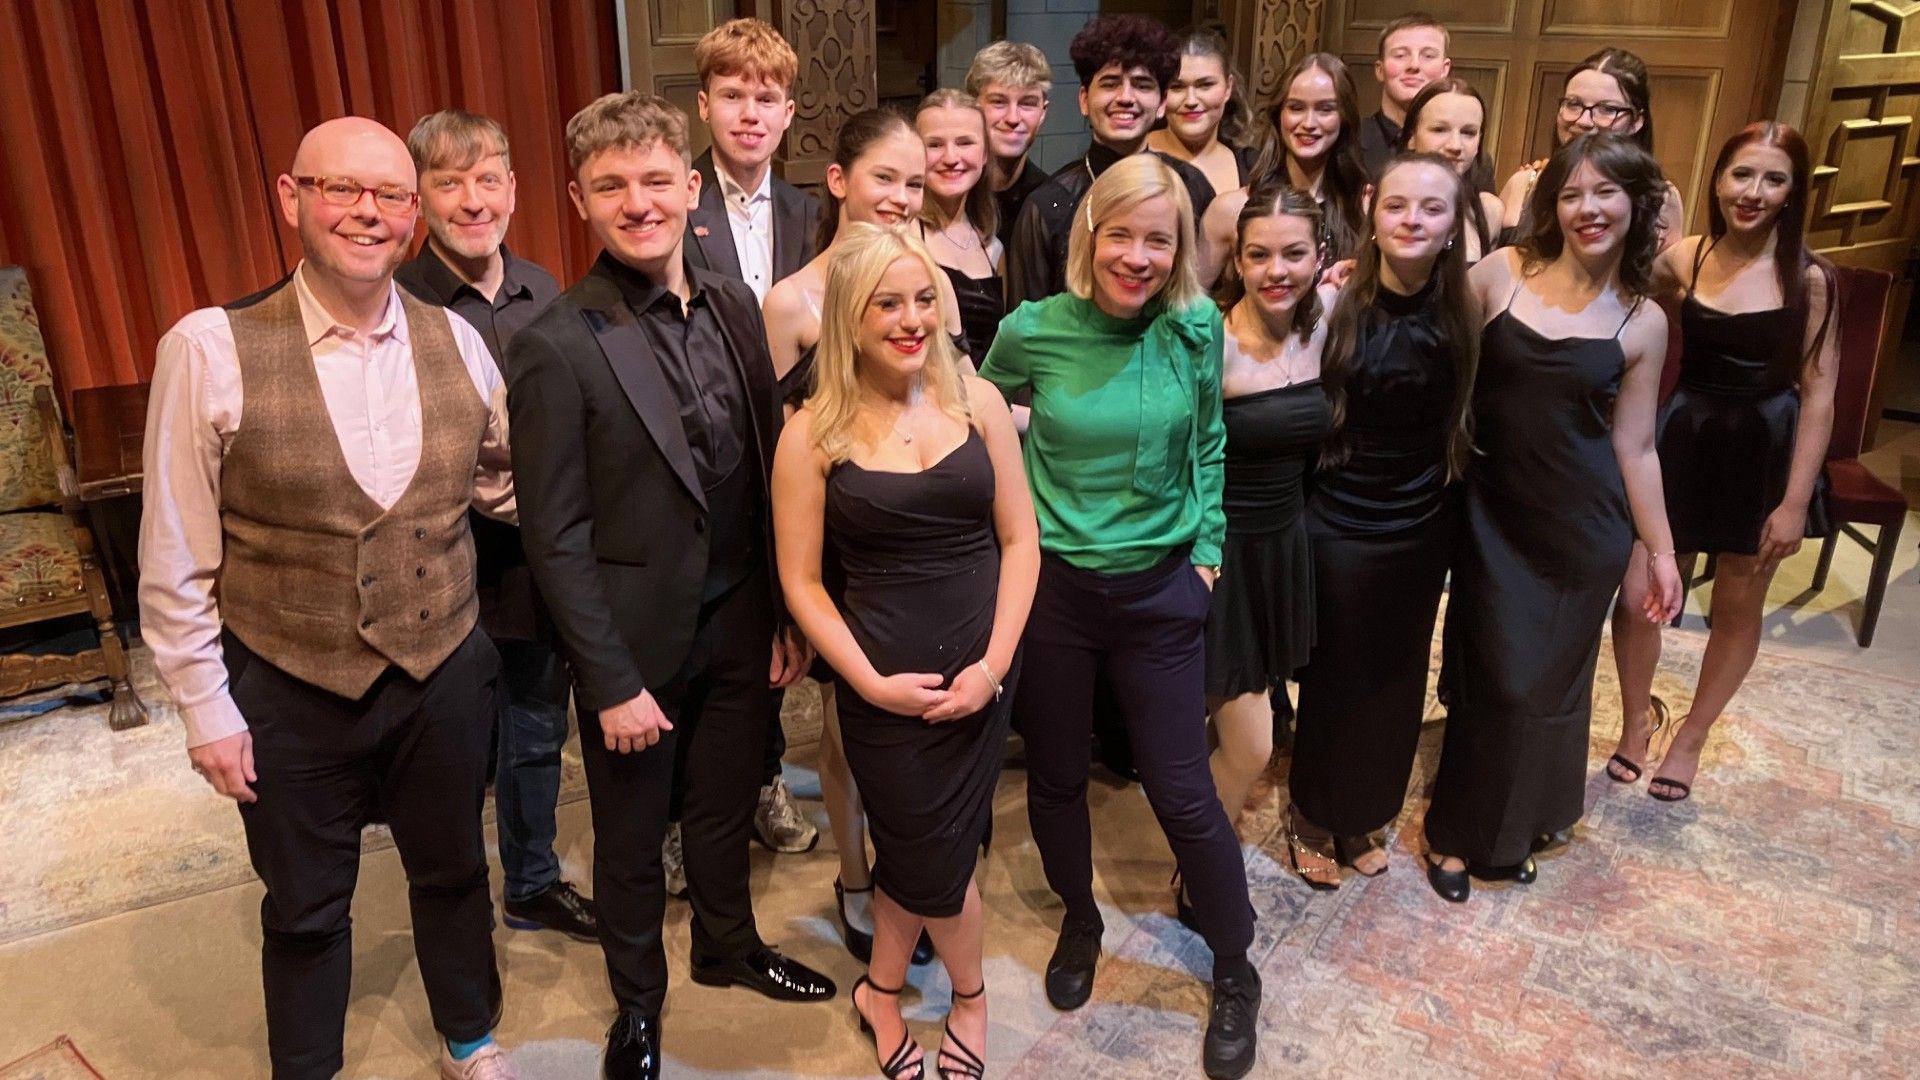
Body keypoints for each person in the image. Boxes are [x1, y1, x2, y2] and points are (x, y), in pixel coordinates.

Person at [139, 116, 522, 1079]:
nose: (368, 212)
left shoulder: (463, 347)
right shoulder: (208, 349)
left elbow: (503, 486)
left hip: (444, 672)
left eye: (390, 194)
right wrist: (205, 710)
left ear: (412, 216)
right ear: (290, 197)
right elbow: (176, 555)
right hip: (285, 682)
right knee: (306, 908)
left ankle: (471, 1039)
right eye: (340, 189)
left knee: (454, 872)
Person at [508, 92, 835, 1080]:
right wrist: (606, 681)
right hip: (634, 645)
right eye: (612, 186)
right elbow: (553, 535)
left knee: (724, 804)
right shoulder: (556, 343)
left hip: (741, 617)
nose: (638, 202)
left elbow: (766, 465)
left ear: (691, 188)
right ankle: (638, 1007)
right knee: (632, 835)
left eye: (656, 180)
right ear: (579, 200)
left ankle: (728, 948)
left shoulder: (738, 303)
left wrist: (784, 609)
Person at [982, 153, 1260, 1080]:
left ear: (1179, 247)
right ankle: (1081, 919)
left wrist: (1210, 553)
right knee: (1056, 777)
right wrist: (1014, 531)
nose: (1138, 256)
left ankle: (1234, 963)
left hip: (1161, 593)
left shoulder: (1194, 328)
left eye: (1159, 238)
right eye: (1122, 234)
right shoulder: (1034, 330)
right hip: (1057, 593)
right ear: (1088, 235)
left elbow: (1212, 444)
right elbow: (982, 421)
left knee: (1182, 791)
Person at [773, 223, 1039, 1080]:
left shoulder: (979, 400)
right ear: (851, 317)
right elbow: (804, 584)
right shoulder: (810, 433)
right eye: (888, 303)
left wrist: (994, 666)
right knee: (932, 857)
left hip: (985, 672)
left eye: (924, 298)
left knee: (935, 853)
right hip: (880, 687)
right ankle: (970, 997)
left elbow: (1021, 541)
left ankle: (881, 993)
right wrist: (868, 685)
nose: (911, 318)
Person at [1425, 133, 1683, 903]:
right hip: (1490, 514)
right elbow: (1424, 335)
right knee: (1493, 677)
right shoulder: (1500, 275)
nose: (1587, 209)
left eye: (1605, 193)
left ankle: (1520, 820)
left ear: (1636, 206)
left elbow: (1635, 448)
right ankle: (1459, 832)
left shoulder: (1643, 321)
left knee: (1547, 687)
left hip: (1582, 527)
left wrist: (1660, 549)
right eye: (1571, 193)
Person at [392, 108, 597, 946]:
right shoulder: (399, 300)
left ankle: (532, 880)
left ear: (514, 189)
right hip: (445, 565)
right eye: (449, 183)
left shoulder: (544, 287)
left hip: (539, 561)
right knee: (453, 748)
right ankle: (453, 900)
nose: (473, 201)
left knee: (537, 726)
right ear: (419, 200)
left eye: (488, 180)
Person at [762, 107, 953, 969]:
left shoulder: (928, 288)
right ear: (839, 181)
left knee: (918, 725)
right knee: (845, 733)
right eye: (886, 178)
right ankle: (853, 874)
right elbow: (771, 456)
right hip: (836, 546)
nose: (901, 199)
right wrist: (788, 609)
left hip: (912, 532)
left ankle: (915, 873)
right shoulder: (791, 301)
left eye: (915, 185)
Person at [1607, 122, 1838, 802]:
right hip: (1685, 433)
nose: (1754, 192)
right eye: (1742, 174)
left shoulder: (1811, 277)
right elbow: (1616, 291)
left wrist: (1795, 500)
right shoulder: (1686, 257)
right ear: (1718, 179)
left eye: (1774, 178)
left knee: (1738, 601)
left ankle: (1693, 737)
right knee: (1639, 592)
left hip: (1766, 445)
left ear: (1794, 192)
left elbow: (1820, 393)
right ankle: (1633, 724)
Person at [1285, 152, 1478, 888]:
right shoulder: (1334, 303)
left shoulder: (1469, 304)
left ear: (1455, 222)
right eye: (1398, 206)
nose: (1412, 221)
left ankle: (1362, 811)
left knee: (1398, 681)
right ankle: (1311, 812)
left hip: (1422, 524)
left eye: (1431, 209)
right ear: (1371, 206)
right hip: (1340, 519)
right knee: (1337, 677)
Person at [675, 14, 823, 883]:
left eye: (765, 97)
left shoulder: (811, 211)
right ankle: (682, 809)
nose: (749, 113)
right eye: (732, 95)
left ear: (789, 110)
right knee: (709, 636)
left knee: (783, 627)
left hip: (797, 448)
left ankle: (768, 777)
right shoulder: (672, 198)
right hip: (711, 453)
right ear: (704, 104)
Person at [1199, 176, 1334, 853]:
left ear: (1320, 255)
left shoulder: (1327, 322)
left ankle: (1200, 846)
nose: (1275, 272)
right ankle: (1201, 862)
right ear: (1235, 258)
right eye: (1257, 255)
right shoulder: (1212, 344)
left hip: (1287, 546)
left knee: (1256, 731)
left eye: (1293, 254)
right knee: (1249, 747)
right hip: (1223, 560)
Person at [1003, 14, 1217, 308]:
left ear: (1162, 104)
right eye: (1110, 83)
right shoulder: (1046, 206)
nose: (1125, 97)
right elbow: (1025, 330)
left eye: (1142, 85)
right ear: (1083, 100)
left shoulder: (1192, 188)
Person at [1199, 53, 1368, 284]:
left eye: (1325, 109)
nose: (1308, 123)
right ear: (1279, 115)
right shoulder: (1230, 209)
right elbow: (1189, 312)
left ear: (1344, 118)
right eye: (1296, 108)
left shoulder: (1365, 210)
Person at [1496, 47, 1684, 249]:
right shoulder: (1523, 183)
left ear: (1637, 121)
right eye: (1573, 104)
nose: (1584, 121)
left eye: (1607, 109)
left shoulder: (1660, 197)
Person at [916, 90, 1006, 364]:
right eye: (934, 145)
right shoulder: (903, 238)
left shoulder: (993, 247)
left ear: (985, 155)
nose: (951, 157)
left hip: (985, 398)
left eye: (965, 143)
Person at [1396, 79, 1504, 262]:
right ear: (1411, 136)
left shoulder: (1489, 212)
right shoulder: (1382, 206)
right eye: (1439, 130)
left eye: (1468, 132)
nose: (1455, 145)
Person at [1146, 27, 1255, 200]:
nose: (1191, 101)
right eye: (1176, 87)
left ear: (1228, 88)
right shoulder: (1135, 156)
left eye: (1205, 85)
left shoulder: (1252, 166)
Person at [966, 41, 1054, 250]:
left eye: (1027, 103)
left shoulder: (1051, 202)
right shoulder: (949, 191)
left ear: (1043, 113)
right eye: (998, 102)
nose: (1013, 118)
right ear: (972, 107)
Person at [1359, 12, 1451, 181]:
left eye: (1428, 56)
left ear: (1445, 69)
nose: (1414, 65)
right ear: (1380, 70)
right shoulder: (1349, 144)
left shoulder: (1464, 150)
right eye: (1400, 55)